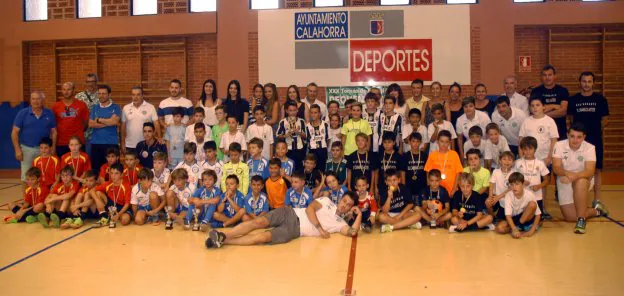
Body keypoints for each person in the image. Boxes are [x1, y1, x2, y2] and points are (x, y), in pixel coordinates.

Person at [205, 192, 361, 248]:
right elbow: (309, 209)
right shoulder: (327, 201)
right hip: (290, 213)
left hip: (294, 231)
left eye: (349, 205)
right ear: (340, 199)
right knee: (257, 222)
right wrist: (320, 229)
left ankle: (223, 239)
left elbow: (353, 232)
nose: (345, 205)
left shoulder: (341, 223)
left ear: (350, 208)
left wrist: (359, 215)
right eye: (344, 201)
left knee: (262, 237)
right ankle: (222, 235)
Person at [552, 123, 609, 234]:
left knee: (581, 182)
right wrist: (567, 174)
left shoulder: (590, 148)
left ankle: (581, 221)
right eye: (572, 136)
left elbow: (589, 171)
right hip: (565, 179)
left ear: (584, 137)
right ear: (567, 135)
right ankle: (596, 211)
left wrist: (574, 176)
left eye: (579, 137)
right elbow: (556, 168)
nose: (575, 140)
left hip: (583, 178)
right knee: (570, 217)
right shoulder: (558, 145)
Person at [568, 71, 609, 209]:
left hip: (595, 140)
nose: (586, 84)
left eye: (589, 81)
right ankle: (577, 198)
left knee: (596, 170)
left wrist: (595, 132)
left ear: (593, 83)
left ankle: (597, 200)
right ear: (580, 82)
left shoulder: (600, 100)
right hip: (578, 141)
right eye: (584, 81)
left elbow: (605, 120)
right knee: (579, 167)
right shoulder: (574, 100)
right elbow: (571, 119)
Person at [12, 91, 57, 185]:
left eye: (38, 99)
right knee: (26, 176)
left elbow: (54, 132)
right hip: (27, 149)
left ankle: (41, 197)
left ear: (43, 100)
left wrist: (53, 147)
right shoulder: (23, 113)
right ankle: (26, 199)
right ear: (30, 100)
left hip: (44, 150)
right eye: (33, 99)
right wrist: (17, 149)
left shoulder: (49, 113)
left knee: (43, 175)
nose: (35, 101)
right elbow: (14, 132)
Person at [495, 172, 541, 238]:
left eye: (517, 184)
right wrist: (514, 229)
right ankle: (517, 228)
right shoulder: (508, 195)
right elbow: (508, 215)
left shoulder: (529, 194)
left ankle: (525, 226)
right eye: (512, 185)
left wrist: (531, 231)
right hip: (514, 219)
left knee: (532, 204)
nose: (514, 187)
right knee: (499, 228)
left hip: (525, 217)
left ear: (523, 184)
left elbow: (538, 214)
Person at [88, 84, 121, 175]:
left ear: (109, 95)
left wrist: (99, 120)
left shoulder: (115, 107)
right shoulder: (95, 107)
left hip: (111, 143)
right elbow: (91, 123)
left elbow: (114, 122)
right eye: (99, 93)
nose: (101, 96)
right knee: (96, 171)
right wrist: (108, 122)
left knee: (114, 171)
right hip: (96, 143)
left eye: (104, 93)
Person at [514, 137, 550, 218]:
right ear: (522, 150)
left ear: (535, 149)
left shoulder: (540, 163)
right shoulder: (518, 162)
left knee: (537, 218)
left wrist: (538, 186)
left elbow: (547, 180)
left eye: (530, 149)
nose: (527, 151)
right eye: (525, 149)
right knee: (522, 217)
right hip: (521, 196)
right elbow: (513, 178)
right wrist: (521, 181)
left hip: (536, 196)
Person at [531, 65, 569, 140]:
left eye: (550, 75)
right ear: (541, 77)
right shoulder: (536, 91)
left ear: (554, 76)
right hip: (540, 130)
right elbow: (533, 110)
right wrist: (553, 106)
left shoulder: (562, 90)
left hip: (559, 130)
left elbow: (563, 111)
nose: (547, 77)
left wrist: (542, 114)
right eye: (545, 75)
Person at [52, 82, 89, 157]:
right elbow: (53, 126)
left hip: (78, 143)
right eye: (64, 89)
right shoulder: (55, 106)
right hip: (61, 143)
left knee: (79, 167)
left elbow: (86, 123)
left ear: (73, 91)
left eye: (69, 89)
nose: (66, 92)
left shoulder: (82, 105)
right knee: (63, 167)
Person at [519, 97, 558, 167]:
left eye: (537, 105)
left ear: (543, 107)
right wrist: (522, 157)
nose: (535, 108)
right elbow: (521, 141)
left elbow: (554, 141)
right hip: (529, 159)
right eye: (532, 105)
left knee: (545, 178)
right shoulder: (526, 121)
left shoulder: (550, 121)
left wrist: (549, 157)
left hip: (545, 158)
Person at [91, 162, 132, 228]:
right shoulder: (108, 183)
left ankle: (114, 216)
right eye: (111, 173)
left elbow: (127, 204)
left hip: (122, 207)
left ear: (121, 175)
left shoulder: (126, 185)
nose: (113, 176)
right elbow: (92, 190)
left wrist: (119, 214)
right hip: (112, 206)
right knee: (98, 193)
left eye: (116, 173)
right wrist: (97, 200)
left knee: (125, 220)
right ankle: (104, 217)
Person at [121, 86, 160, 154]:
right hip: (129, 145)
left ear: (142, 95)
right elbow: (123, 128)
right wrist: (122, 143)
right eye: (133, 94)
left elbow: (156, 124)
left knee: (145, 164)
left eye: (138, 94)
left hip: (146, 144)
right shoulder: (125, 108)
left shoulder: (150, 107)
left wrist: (159, 138)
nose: (135, 97)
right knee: (130, 164)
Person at [424, 130, 463, 195]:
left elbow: (458, 173)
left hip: (451, 190)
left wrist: (454, 189)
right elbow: (428, 172)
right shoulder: (432, 155)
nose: (444, 144)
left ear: (450, 142)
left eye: (446, 142)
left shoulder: (454, 154)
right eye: (441, 141)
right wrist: (429, 188)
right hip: (436, 190)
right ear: (437, 141)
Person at [277, 101, 307, 171]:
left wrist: (298, 132)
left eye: (294, 110)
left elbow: (306, 136)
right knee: (288, 169)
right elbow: (278, 136)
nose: (292, 112)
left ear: (297, 110)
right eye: (290, 110)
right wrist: (286, 135)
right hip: (288, 150)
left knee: (299, 169)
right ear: (287, 111)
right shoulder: (283, 122)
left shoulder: (302, 121)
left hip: (299, 149)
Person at [75, 73, 100, 156]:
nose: (90, 84)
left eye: (93, 81)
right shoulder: (78, 96)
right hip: (81, 134)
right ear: (85, 83)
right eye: (88, 81)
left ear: (97, 82)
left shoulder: (102, 95)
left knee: (93, 159)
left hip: (97, 134)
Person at [486, 151, 515, 221]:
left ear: (513, 162)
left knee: (504, 221)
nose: (507, 162)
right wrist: (490, 197)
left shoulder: (514, 173)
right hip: (497, 198)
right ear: (500, 161)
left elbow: (511, 189)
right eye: (504, 159)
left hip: (508, 199)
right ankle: (493, 217)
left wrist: (498, 197)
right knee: (487, 202)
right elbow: (491, 183)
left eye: (509, 159)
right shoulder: (496, 171)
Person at [306, 104, 330, 170]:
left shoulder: (325, 124)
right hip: (312, 151)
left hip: (322, 150)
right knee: (312, 170)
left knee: (322, 169)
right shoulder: (307, 126)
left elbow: (328, 139)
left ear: (319, 113)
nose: (313, 114)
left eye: (315, 112)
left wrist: (324, 147)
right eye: (311, 112)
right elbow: (307, 139)